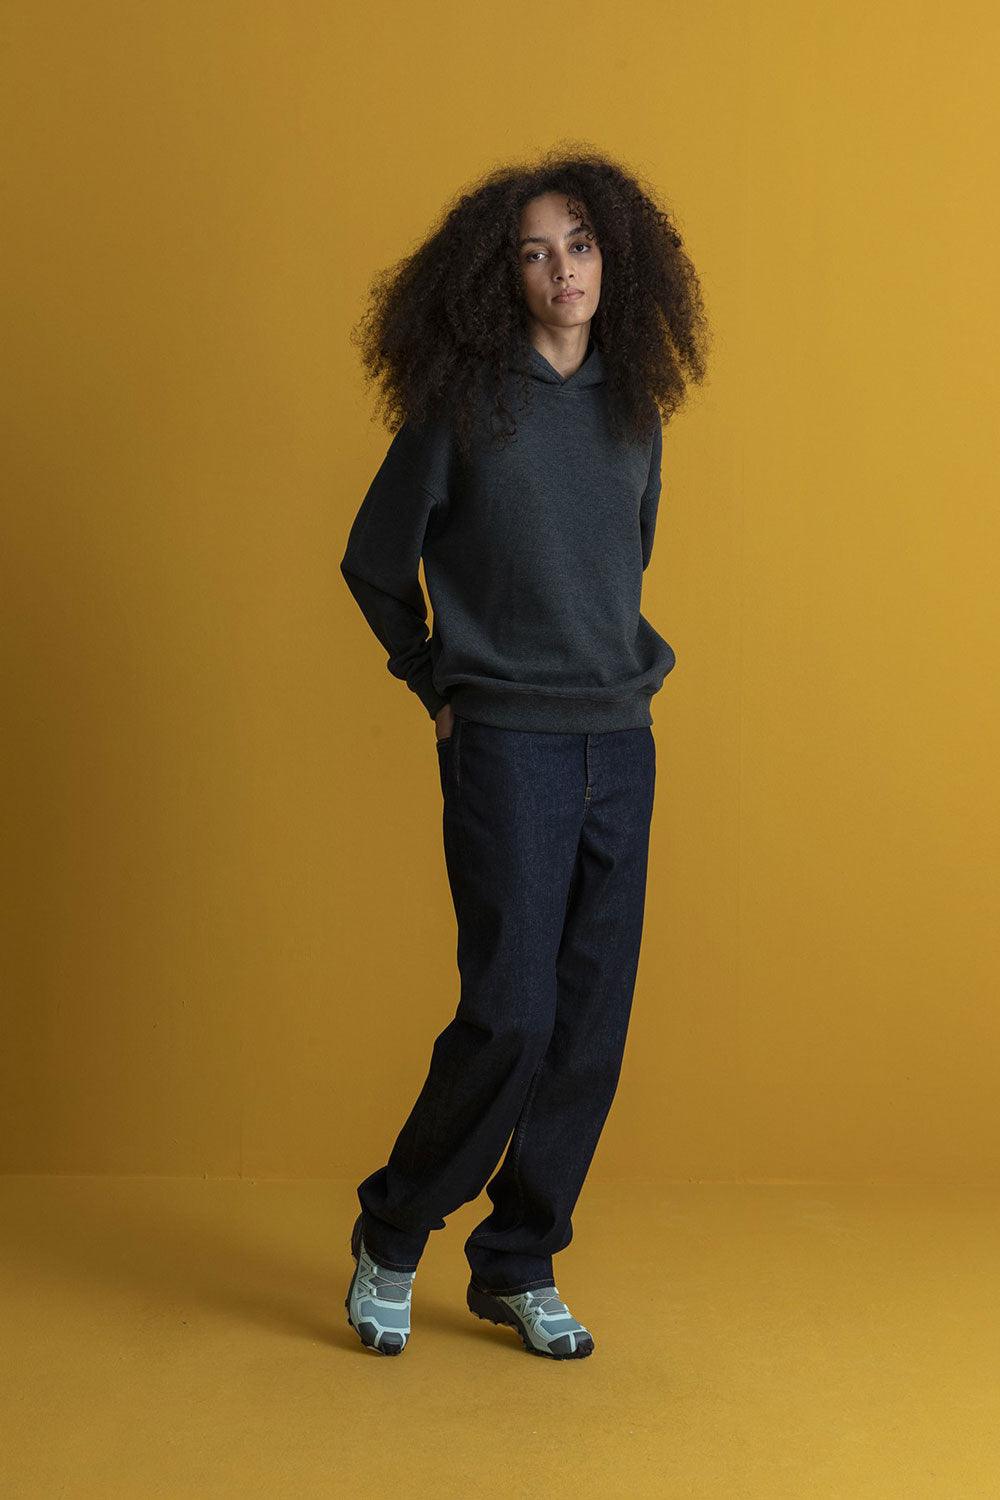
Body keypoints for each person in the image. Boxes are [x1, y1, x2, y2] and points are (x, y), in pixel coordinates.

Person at [339, 148, 709, 1358]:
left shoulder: (634, 409)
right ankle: (394, 1231)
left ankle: (518, 1261)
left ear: (615, 260)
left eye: (581, 245)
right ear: (499, 275)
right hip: (506, 745)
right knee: (509, 1010)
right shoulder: (463, 408)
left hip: (620, 740)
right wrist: (435, 681)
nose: (563, 271)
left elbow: (622, 561)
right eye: (536, 252)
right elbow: (375, 561)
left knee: (590, 1023)